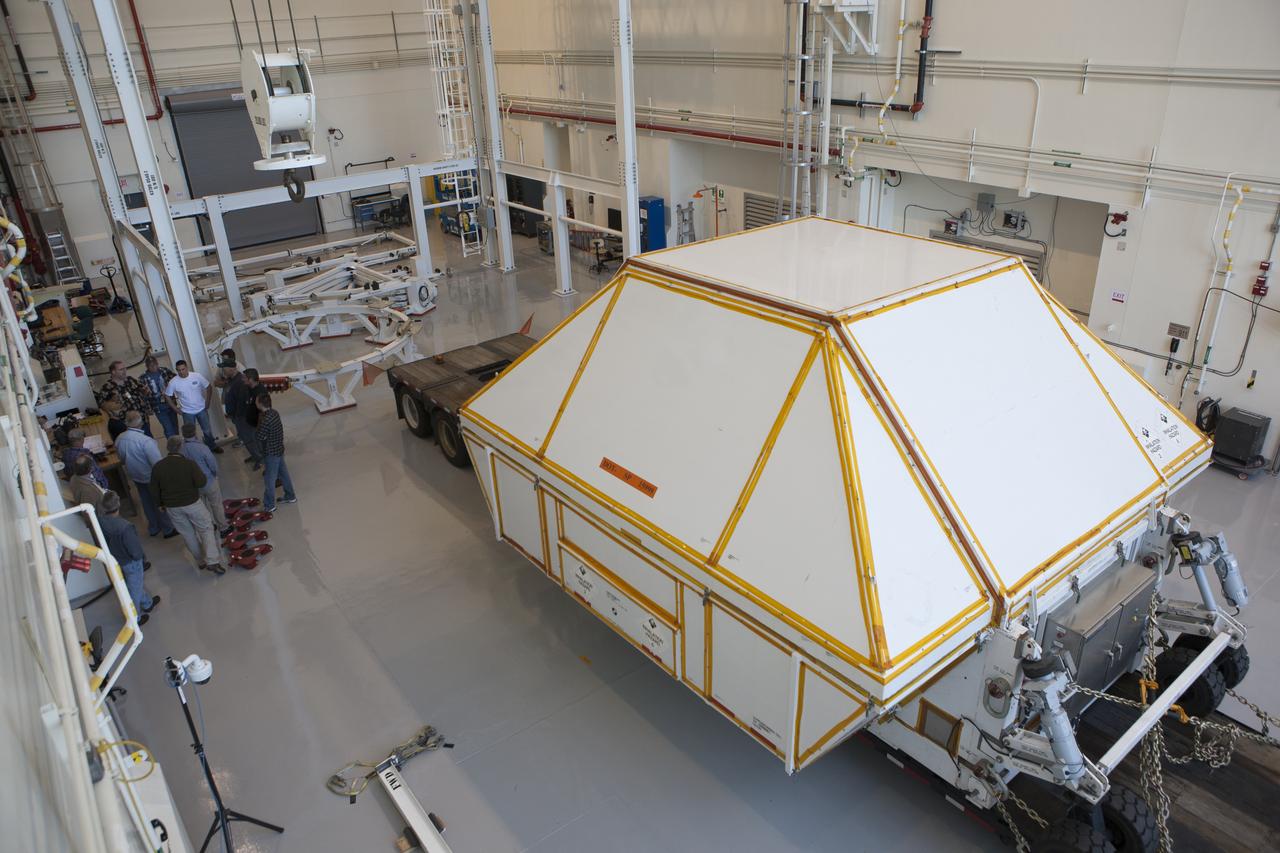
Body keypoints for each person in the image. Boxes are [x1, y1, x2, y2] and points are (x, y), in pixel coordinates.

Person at [151, 435, 225, 574]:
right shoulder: (189, 464)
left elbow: (154, 489)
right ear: (181, 447)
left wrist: (160, 504)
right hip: (192, 503)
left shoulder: (158, 467)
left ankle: (200, 561)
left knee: (188, 534)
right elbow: (201, 482)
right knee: (206, 528)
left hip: (172, 507)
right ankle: (212, 560)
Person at [98, 490, 160, 624]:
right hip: (130, 561)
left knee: (135, 584)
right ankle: (134, 618)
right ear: (118, 504)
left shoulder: (101, 521)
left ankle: (147, 603)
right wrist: (141, 558)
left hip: (116, 559)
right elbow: (135, 549)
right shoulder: (125, 527)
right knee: (134, 590)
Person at [114, 410, 177, 538]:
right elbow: (157, 463)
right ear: (141, 423)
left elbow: (121, 457)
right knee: (159, 502)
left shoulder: (120, 438)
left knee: (146, 502)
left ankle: (153, 527)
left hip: (135, 475)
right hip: (150, 477)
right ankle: (168, 529)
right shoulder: (146, 441)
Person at [180, 422, 230, 536]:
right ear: (195, 432)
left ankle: (210, 526)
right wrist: (215, 474)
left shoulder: (181, 450)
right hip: (209, 481)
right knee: (216, 505)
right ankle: (224, 528)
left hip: (194, 485)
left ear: (183, 434)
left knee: (202, 508)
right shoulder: (202, 447)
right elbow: (212, 464)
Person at [165, 360, 222, 454]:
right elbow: (167, 395)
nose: (181, 372)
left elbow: (209, 387)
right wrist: (176, 409)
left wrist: (207, 402)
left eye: (183, 369)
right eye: (179, 370)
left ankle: (212, 446)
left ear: (187, 367)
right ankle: (196, 451)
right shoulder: (173, 382)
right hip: (187, 412)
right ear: (176, 370)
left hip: (201, 409)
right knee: (190, 434)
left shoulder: (196, 376)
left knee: (207, 430)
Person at [256, 394, 297, 511]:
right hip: (279, 449)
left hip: (271, 454)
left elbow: (260, 436)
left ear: (260, 404)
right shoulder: (275, 412)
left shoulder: (265, 420)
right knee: (284, 474)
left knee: (270, 479)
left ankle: (269, 505)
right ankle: (290, 495)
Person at [98, 360, 153, 436]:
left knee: (148, 440)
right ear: (113, 372)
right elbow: (101, 404)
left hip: (142, 419)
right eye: (121, 369)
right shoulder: (107, 387)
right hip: (127, 425)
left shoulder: (130, 380)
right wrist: (112, 407)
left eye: (125, 368)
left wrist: (145, 391)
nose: (124, 371)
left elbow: (143, 391)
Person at [223, 365, 262, 468]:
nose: (223, 371)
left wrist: (238, 416)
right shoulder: (232, 380)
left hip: (242, 417)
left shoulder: (240, 383)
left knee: (250, 439)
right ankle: (254, 455)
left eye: (225, 368)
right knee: (246, 439)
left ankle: (259, 458)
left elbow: (243, 403)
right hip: (238, 416)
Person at [139, 355, 178, 437]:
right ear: (147, 366)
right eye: (151, 365)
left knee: (175, 427)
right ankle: (174, 447)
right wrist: (145, 394)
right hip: (159, 408)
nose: (153, 367)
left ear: (157, 363)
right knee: (168, 429)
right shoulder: (143, 378)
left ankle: (178, 444)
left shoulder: (164, 371)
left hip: (171, 404)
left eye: (155, 364)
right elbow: (142, 395)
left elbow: (175, 379)